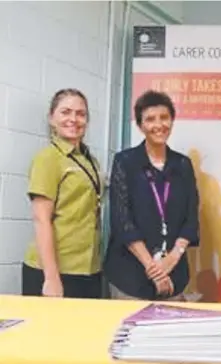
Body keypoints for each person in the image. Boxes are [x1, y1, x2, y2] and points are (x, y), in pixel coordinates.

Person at [104, 91, 199, 301]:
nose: (159, 125)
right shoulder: (125, 162)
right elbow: (122, 222)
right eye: (150, 119)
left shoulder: (183, 165)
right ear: (140, 126)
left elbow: (191, 220)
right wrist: (153, 268)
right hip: (130, 276)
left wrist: (172, 259)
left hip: (175, 274)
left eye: (164, 117)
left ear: (172, 121)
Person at [22, 89, 103, 298]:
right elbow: (41, 219)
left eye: (80, 114)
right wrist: (51, 278)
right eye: (65, 112)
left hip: (88, 268)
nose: (73, 119)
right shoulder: (48, 158)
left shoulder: (90, 160)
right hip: (56, 270)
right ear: (51, 118)